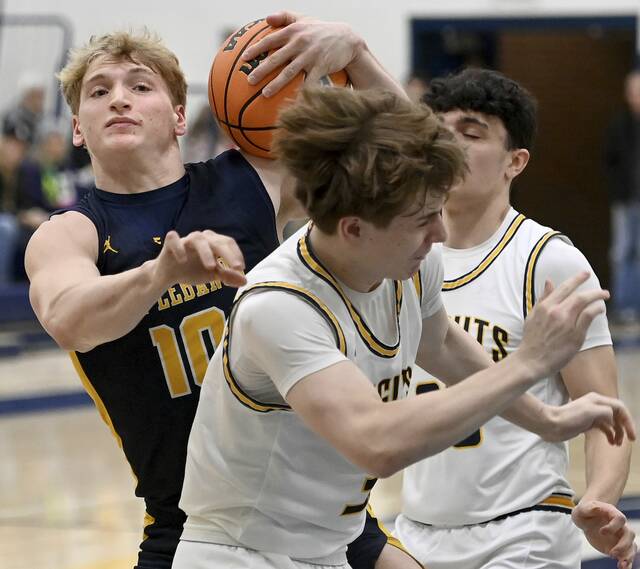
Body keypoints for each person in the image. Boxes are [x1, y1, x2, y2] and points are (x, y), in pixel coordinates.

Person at [24, 13, 426, 569]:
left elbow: (417, 162)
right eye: (99, 91)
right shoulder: (72, 233)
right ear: (76, 128)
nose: (119, 99)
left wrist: (356, 53)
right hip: (191, 527)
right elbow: (69, 318)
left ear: (179, 116)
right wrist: (159, 273)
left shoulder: (248, 181)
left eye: (140, 87)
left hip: (316, 503)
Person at [174, 85, 635, 569]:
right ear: (353, 228)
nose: (439, 234)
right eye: (421, 220)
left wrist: (546, 419)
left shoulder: (410, 265)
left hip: (330, 549)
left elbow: (443, 346)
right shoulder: (280, 306)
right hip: (241, 555)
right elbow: (378, 444)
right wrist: (525, 364)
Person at [395, 68, 638, 569]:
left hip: (523, 530)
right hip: (416, 531)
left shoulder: (548, 260)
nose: (450, 146)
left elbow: (604, 414)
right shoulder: (400, 258)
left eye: (471, 133)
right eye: (440, 133)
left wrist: (599, 498)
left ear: (515, 162)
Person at [604, 68, 640, 323]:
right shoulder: (618, 126)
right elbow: (609, 162)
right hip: (624, 200)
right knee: (622, 252)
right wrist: (617, 189)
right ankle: (624, 306)